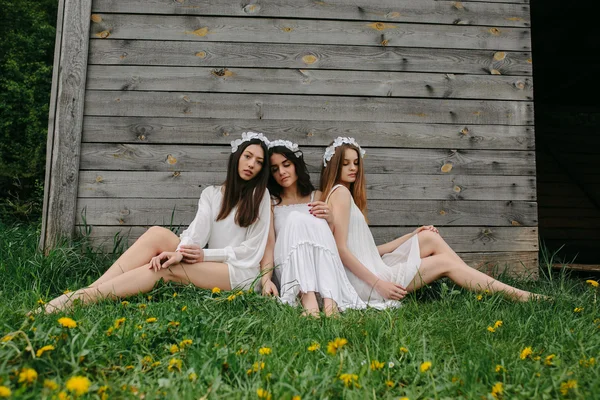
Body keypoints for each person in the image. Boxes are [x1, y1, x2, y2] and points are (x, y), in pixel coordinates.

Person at [39, 132, 272, 313]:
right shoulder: (211, 194)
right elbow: (196, 234)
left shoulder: (260, 197)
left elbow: (250, 251)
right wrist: (181, 252)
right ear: (237, 158)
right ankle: (88, 290)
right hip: (213, 262)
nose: (252, 164)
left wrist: (203, 256)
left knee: (166, 269)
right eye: (248, 157)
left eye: (259, 162)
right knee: (157, 234)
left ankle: (86, 298)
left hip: (241, 274)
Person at [320, 136, 542, 308]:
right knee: (444, 263)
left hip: (372, 267)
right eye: (346, 164)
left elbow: (366, 250)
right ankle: (524, 297)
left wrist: (412, 235)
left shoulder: (342, 194)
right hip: (368, 282)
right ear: (333, 166)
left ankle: (478, 282)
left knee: (427, 236)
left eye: (356, 163)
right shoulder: (339, 193)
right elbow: (341, 250)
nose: (353, 168)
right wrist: (380, 285)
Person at [259, 139, 365, 316]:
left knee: (314, 221)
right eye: (275, 169)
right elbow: (269, 245)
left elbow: (329, 240)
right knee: (295, 218)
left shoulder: (318, 196)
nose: (282, 172)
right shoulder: (271, 202)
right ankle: (309, 303)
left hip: (320, 265)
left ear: (296, 165)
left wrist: (330, 220)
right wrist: (265, 281)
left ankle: (330, 303)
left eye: (286, 165)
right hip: (288, 264)